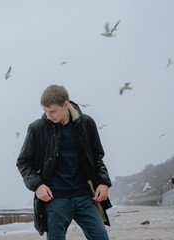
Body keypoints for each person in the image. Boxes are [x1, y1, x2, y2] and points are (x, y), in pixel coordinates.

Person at [16, 84, 112, 240]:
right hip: (55, 199)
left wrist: (104, 182)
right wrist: (38, 185)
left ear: (66, 104)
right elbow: (23, 162)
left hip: (85, 197)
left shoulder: (86, 124)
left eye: (53, 111)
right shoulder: (37, 128)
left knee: (101, 237)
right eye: (45, 111)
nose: (49, 116)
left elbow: (97, 157)